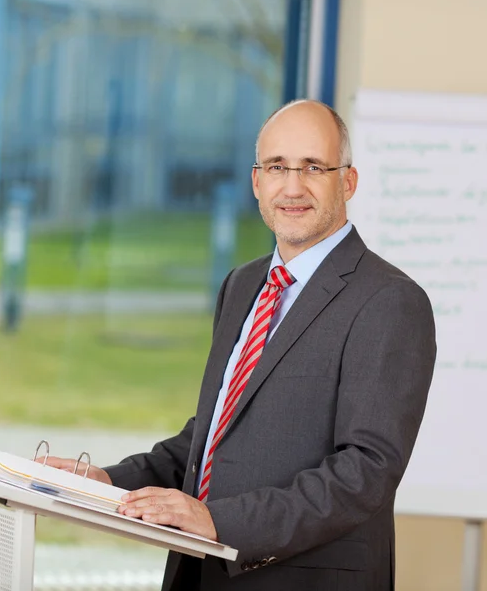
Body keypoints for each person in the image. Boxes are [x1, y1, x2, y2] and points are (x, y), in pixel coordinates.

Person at [48, 100, 437, 591]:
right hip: (200, 571)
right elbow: (209, 440)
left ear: (349, 182)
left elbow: (366, 473)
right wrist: (108, 483)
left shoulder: (390, 301)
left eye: (314, 167)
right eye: (277, 167)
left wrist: (220, 521)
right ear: (257, 182)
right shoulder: (242, 285)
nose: (292, 187)